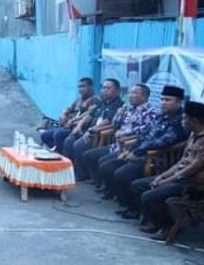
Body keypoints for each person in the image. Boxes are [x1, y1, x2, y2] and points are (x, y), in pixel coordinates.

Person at [102, 85, 187, 217]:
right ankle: (126, 204)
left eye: (168, 100)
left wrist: (138, 152)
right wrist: (131, 150)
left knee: (122, 174)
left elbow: (164, 142)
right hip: (142, 154)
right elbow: (144, 135)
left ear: (179, 102)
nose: (163, 103)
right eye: (162, 99)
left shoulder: (180, 121)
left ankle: (135, 209)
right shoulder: (160, 116)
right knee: (109, 165)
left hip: (158, 158)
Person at [130, 101, 204, 240]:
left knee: (150, 196)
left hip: (193, 184)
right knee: (138, 185)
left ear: (194, 120)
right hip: (179, 177)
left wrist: (167, 180)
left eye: (184, 118)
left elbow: (194, 166)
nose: (182, 121)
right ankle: (154, 220)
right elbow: (182, 161)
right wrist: (161, 177)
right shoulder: (193, 135)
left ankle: (167, 226)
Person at [84, 84, 156, 185]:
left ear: (144, 96)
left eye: (134, 93)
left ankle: (109, 190)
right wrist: (118, 115)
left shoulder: (149, 111)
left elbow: (145, 130)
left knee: (105, 164)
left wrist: (125, 133)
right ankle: (100, 183)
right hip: (117, 145)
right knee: (90, 155)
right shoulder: (128, 108)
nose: (130, 95)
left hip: (129, 145)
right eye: (130, 92)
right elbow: (115, 125)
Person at [68, 79, 123, 178]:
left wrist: (91, 130)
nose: (104, 90)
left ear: (117, 91)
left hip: (98, 133)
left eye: (108, 88)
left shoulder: (118, 104)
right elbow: (89, 115)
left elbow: (108, 121)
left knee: (78, 145)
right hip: (88, 129)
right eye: (103, 87)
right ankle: (70, 169)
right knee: (69, 140)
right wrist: (79, 126)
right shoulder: (102, 102)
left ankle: (81, 174)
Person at [40, 78, 97, 151]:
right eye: (79, 87)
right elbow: (68, 109)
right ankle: (59, 151)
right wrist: (63, 115)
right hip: (67, 125)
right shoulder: (79, 100)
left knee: (58, 134)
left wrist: (72, 122)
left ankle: (61, 156)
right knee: (44, 135)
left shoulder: (95, 100)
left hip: (79, 128)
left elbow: (89, 116)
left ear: (90, 87)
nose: (80, 89)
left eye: (83, 86)